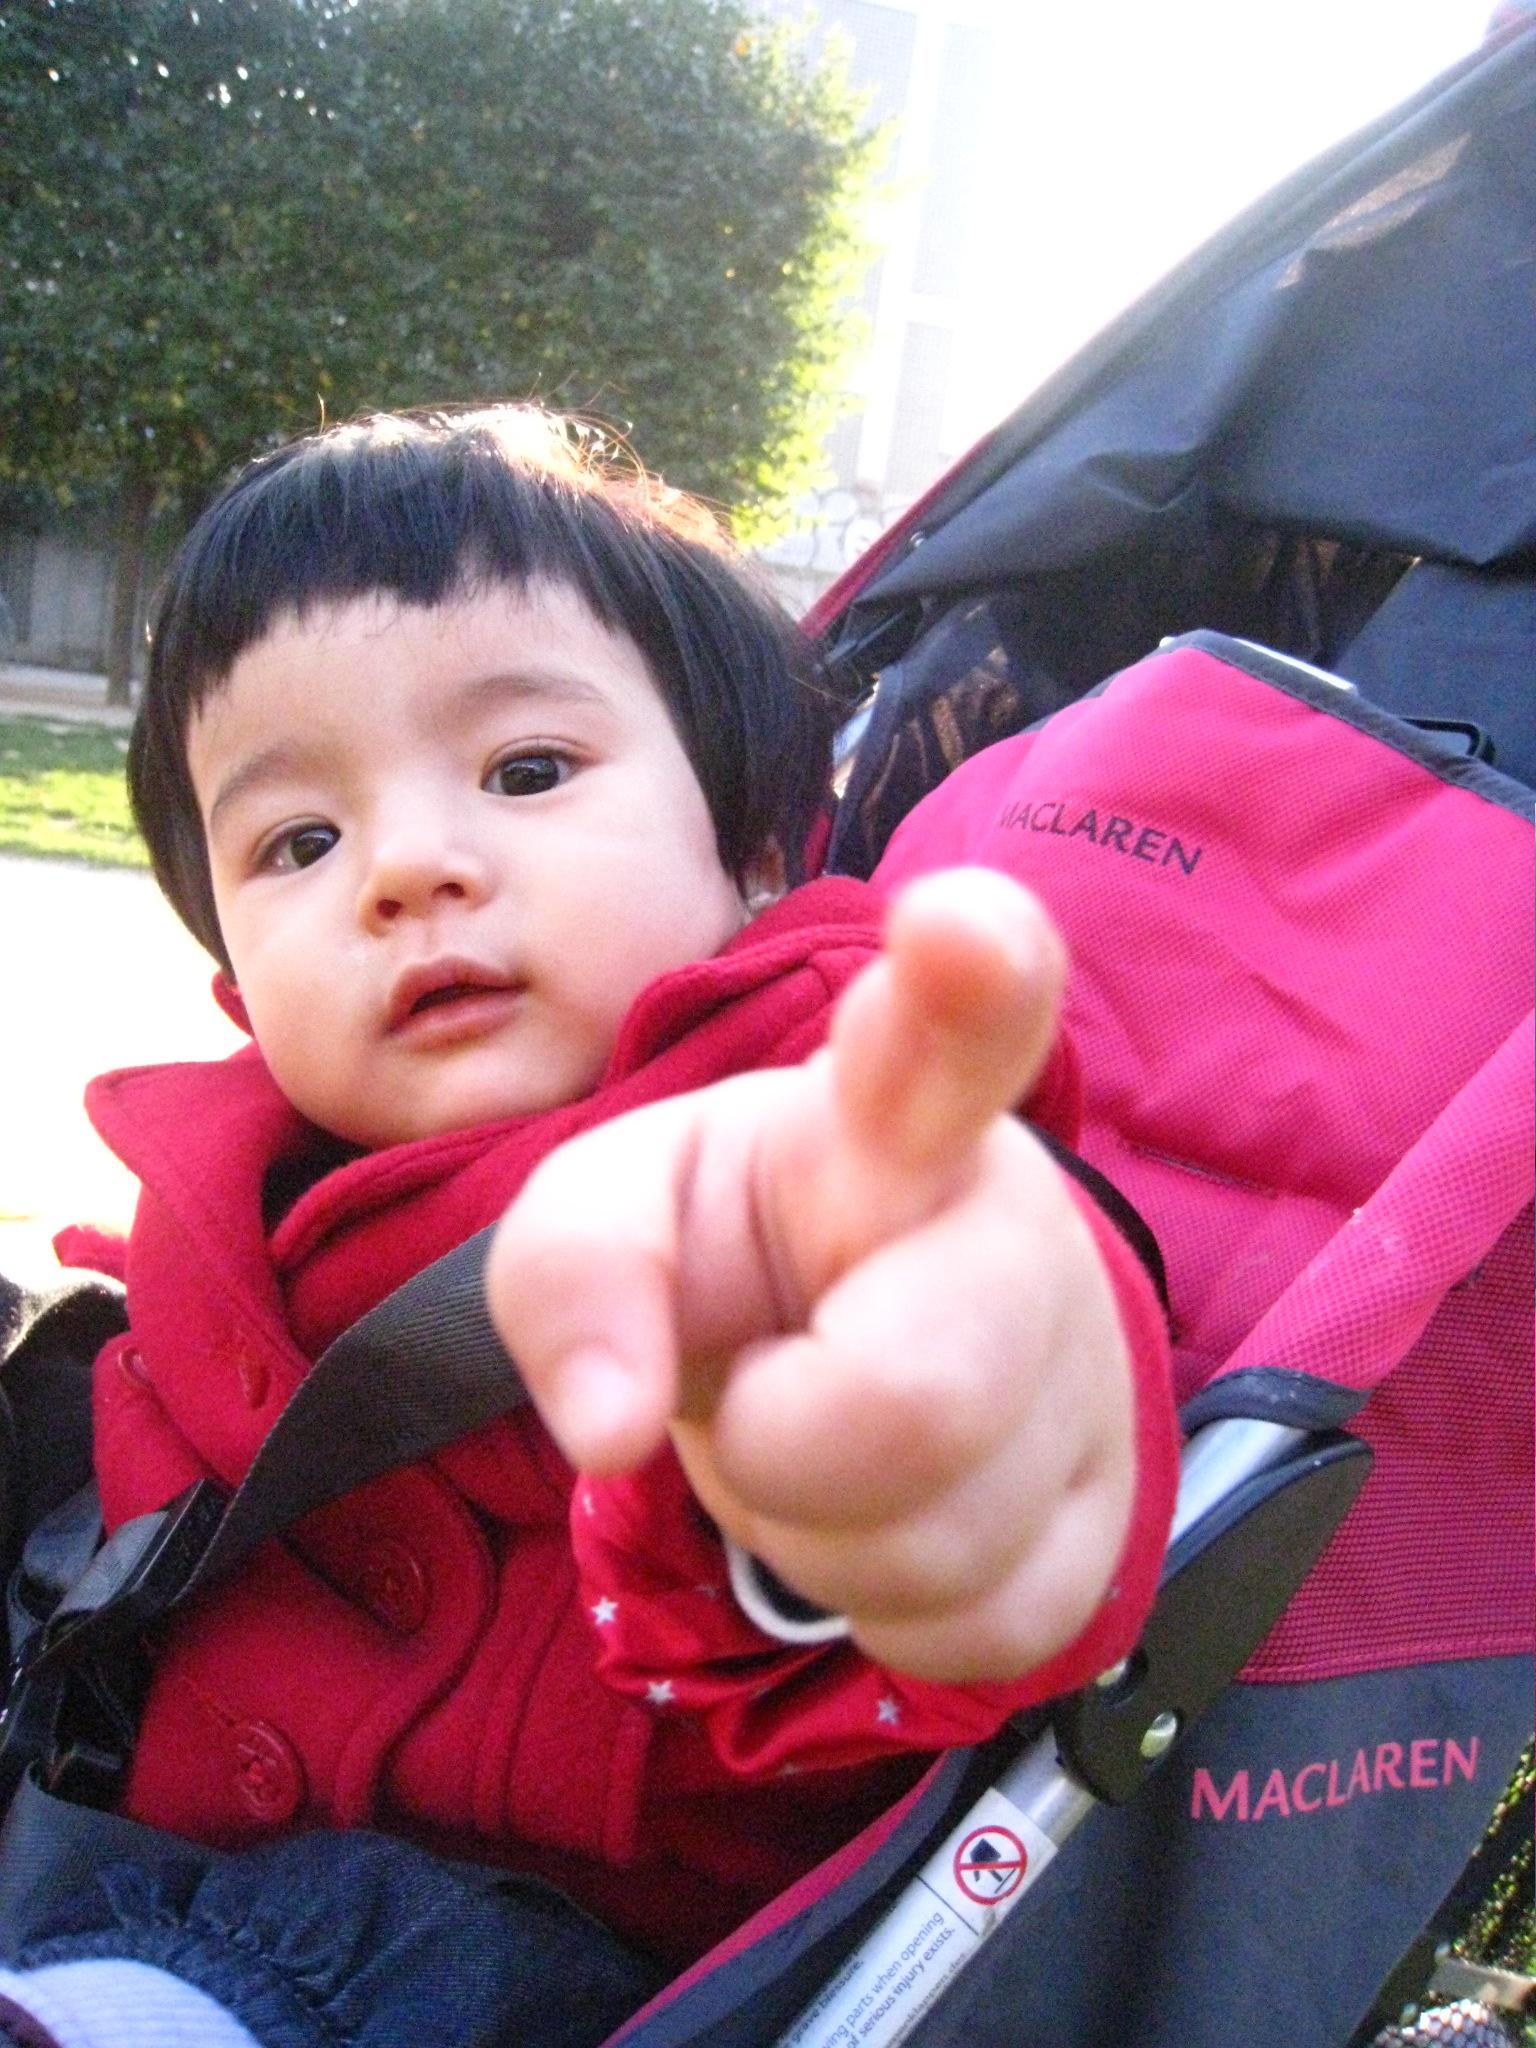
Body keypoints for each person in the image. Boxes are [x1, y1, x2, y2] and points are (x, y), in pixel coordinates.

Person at [0, 406, 1175, 2047]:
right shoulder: (229, 1204)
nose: (407, 867)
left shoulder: (808, 1124)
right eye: (298, 843)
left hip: (534, 1973)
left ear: (752, 850)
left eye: (528, 771)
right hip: (99, 1856)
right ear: (238, 984)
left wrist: (914, 1438)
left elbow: (973, 1321)